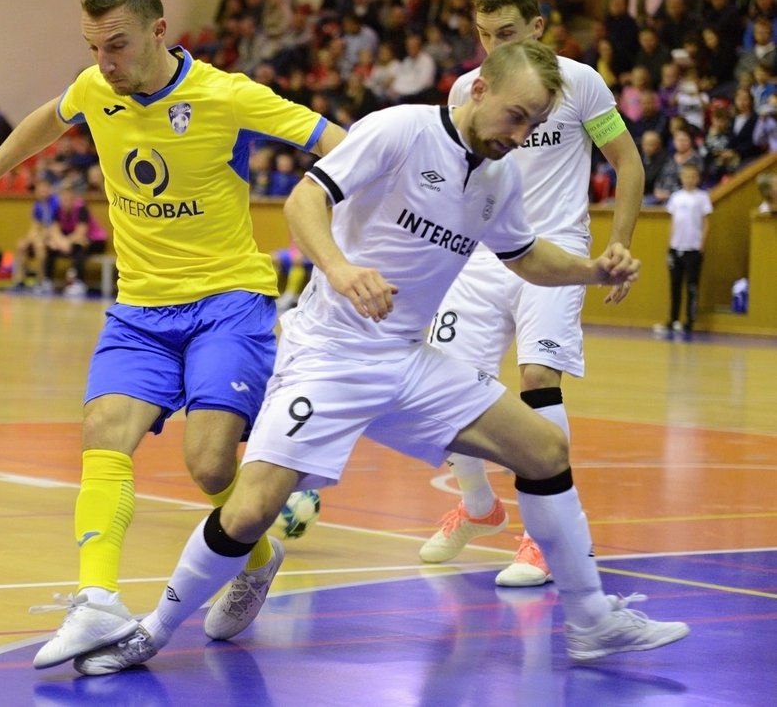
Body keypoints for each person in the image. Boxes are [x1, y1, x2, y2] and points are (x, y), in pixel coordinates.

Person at [70, 40, 688, 676]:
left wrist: (592, 269)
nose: (522, 133)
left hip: (407, 359)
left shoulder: (499, 176)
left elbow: (524, 255)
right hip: (329, 353)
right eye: (516, 115)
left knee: (545, 450)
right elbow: (304, 200)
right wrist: (338, 269)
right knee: (252, 509)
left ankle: (590, 621)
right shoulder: (400, 129)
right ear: (479, 90)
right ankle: (151, 631)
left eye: (536, 123)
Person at [0, 0, 346, 671]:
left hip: (228, 302)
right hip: (140, 310)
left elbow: (341, 144)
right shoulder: (95, 89)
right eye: (94, 48)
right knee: (104, 431)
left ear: (160, 32)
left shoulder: (227, 95)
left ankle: (256, 556)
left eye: (118, 46)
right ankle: (96, 600)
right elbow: (53, 116)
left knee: (208, 465)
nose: (105, 64)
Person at [417, 0, 644, 588]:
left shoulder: (579, 83)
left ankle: (544, 540)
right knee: (444, 387)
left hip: (555, 252)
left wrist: (618, 242)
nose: (491, 47)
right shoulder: (469, 88)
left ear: (538, 29)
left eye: (506, 34)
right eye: (483, 35)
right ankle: (477, 506)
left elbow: (628, 162)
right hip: (482, 257)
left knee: (538, 380)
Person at [663, 164, 711, 338]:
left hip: (693, 249)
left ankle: (689, 321)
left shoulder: (702, 197)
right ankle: (673, 319)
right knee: (674, 286)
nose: (689, 179)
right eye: (686, 176)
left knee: (691, 286)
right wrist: (670, 245)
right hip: (676, 247)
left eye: (693, 176)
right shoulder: (676, 197)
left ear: (697, 178)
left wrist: (701, 246)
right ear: (681, 177)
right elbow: (673, 222)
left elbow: (706, 223)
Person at [45, 178, 109, 298]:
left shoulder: (81, 208)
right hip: (71, 241)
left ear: (73, 196)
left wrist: (65, 242)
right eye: (63, 195)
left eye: (68, 195)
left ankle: (79, 283)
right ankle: (47, 281)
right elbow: (54, 231)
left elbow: (80, 232)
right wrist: (60, 243)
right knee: (50, 247)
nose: (66, 198)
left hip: (96, 240)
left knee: (79, 247)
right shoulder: (58, 209)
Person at [11, 176, 58, 294]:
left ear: (50, 189)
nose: (42, 191)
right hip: (43, 235)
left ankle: (41, 280)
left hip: (56, 236)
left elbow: (56, 226)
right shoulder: (37, 205)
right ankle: (19, 280)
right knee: (21, 245)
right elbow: (35, 226)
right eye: (40, 189)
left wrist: (39, 238)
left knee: (39, 245)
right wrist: (28, 239)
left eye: (45, 188)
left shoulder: (56, 203)